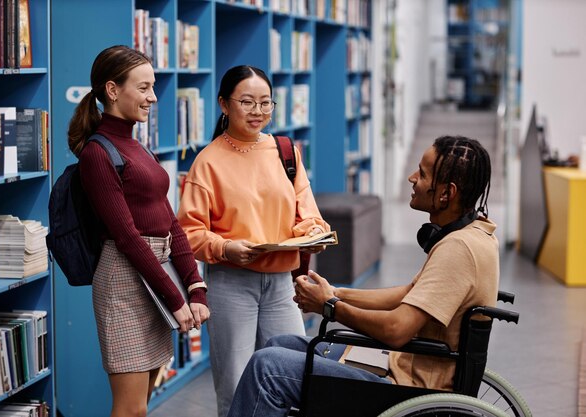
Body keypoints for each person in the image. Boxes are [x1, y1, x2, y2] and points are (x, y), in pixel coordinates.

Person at [226, 135, 499, 417]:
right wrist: (337, 293)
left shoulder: (457, 249)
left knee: (267, 367)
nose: (412, 178)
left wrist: (329, 308)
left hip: (405, 389)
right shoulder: (475, 235)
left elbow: (396, 330)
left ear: (446, 193)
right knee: (280, 344)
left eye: (423, 173)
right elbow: (408, 294)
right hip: (402, 370)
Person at [176, 64, 330, 417]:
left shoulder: (286, 152)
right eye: (246, 102)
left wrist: (312, 235)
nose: (258, 111)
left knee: (296, 374)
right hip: (231, 284)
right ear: (224, 105)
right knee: (235, 384)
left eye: (265, 102)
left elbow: (307, 213)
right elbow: (189, 232)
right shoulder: (208, 161)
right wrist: (225, 247)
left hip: (281, 285)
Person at [68, 45, 210, 417]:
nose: (152, 97)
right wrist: (176, 300)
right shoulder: (98, 154)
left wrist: (195, 285)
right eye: (144, 88)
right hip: (124, 286)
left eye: (153, 87)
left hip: (155, 274)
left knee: (142, 404)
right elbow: (128, 238)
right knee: (130, 409)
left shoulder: (136, 144)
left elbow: (170, 221)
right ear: (113, 91)